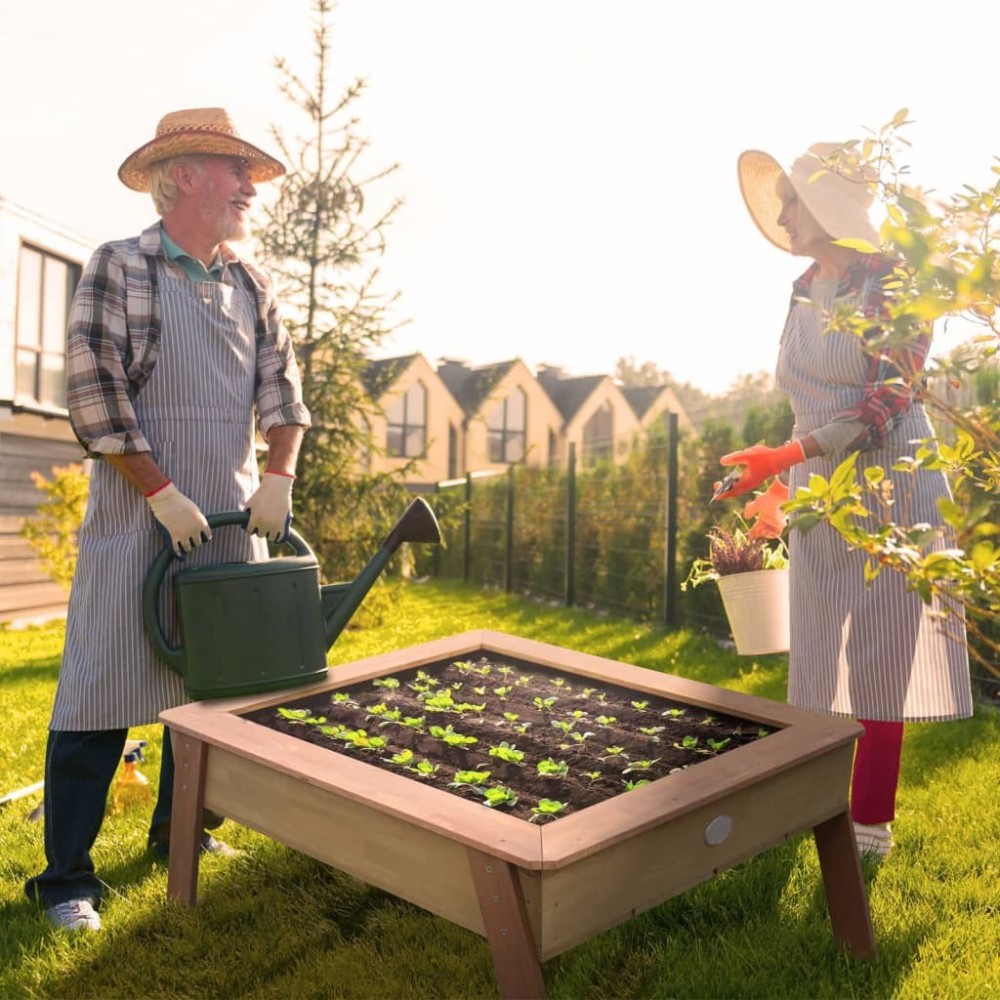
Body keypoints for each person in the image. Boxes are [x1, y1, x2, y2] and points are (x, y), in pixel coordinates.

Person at [25, 108, 311, 932]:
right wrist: (159, 491)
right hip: (137, 513)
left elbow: (283, 395)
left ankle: (179, 836)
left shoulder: (251, 284)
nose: (250, 187)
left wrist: (280, 475)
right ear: (184, 174)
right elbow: (94, 394)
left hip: (227, 515)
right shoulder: (122, 266)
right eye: (235, 171)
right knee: (98, 691)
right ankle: (65, 881)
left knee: (212, 693)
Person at [716, 142, 973, 860]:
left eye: (792, 199)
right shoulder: (803, 287)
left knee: (879, 656)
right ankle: (808, 806)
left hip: (895, 479)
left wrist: (789, 460)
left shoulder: (896, 283)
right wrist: (775, 485)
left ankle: (869, 826)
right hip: (816, 484)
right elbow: (807, 401)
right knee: (815, 653)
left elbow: (882, 405)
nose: (782, 212)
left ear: (828, 205)